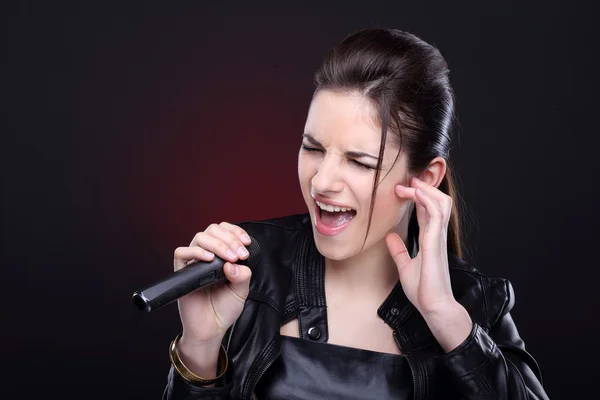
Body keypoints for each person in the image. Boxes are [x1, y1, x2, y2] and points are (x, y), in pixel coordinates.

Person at [162, 28, 549, 400]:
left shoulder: (476, 302)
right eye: (312, 148)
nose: (323, 181)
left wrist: (445, 317)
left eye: (359, 162)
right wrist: (200, 346)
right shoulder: (243, 269)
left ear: (425, 179)